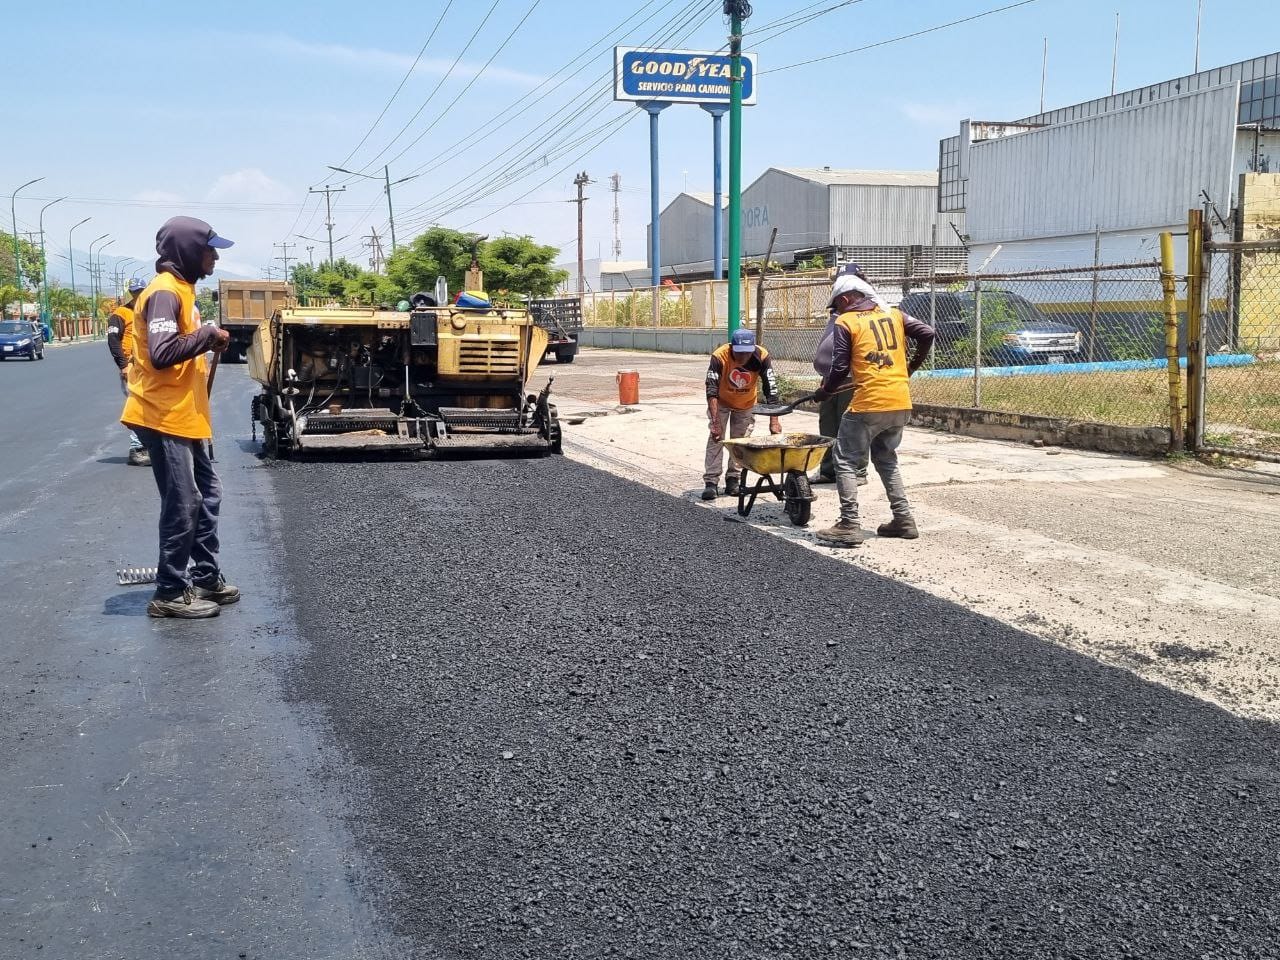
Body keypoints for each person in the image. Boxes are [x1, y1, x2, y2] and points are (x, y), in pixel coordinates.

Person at [121, 216, 237, 619]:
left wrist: (208, 336)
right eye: (210, 249)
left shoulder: (183, 291)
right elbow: (162, 352)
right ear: (189, 250)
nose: (216, 257)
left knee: (208, 496)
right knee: (183, 501)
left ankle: (205, 576)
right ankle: (170, 591)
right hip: (162, 415)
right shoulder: (164, 293)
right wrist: (207, 335)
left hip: (186, 415)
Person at [813, 272, 935, 546]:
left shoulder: (847, 321)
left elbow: (840, 366)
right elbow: (928, 333)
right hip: (900, 401)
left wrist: (826, 391)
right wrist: (910, 368)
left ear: (845, 299)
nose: (837, 312)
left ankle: (849, 524)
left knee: (844, 460)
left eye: (837, 306)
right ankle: (903, 520)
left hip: (869, 403)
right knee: (886, 458)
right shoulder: (895, 315)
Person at [811, 264, 885, 486]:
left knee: (853, 425)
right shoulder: (838, 309)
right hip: (830, 377)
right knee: (828, 424)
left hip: (851, 378)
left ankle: (858, 471)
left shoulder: (870, 311)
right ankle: (828, 470)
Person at [702, 327, 782, 501]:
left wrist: (774, 421)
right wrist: (715, 422)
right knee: (717, 439)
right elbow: (712, 390)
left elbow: (771, 389)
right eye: (739, 353)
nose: (743, 358)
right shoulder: (720, 356)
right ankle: (711, 482)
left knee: (740, 442)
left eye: (747, 353)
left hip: (745, 404)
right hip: (721, 402)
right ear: (732, 348)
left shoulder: (761, 356)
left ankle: (733, 479)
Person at [106, 278, 150, 466]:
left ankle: (149, 447)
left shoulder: (148, 311)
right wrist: (123, 365)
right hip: (131, 366)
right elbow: (113, 341)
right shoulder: (120, 314)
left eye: (140, 290)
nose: (137, 294)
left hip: (148, 367)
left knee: (149, 406)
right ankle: (137, 449)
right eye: (134, 291)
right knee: (138, 406)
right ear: (130, 293)